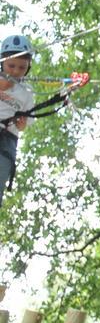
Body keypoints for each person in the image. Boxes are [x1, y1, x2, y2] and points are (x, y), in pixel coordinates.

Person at [0, 34, 35, 207]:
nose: (15, 71)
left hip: (6, 140)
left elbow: (26, 120)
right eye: (11, 65)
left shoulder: (27, 92)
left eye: (22, 67)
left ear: (28, 67)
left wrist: (22, 125)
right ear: (2, 63)